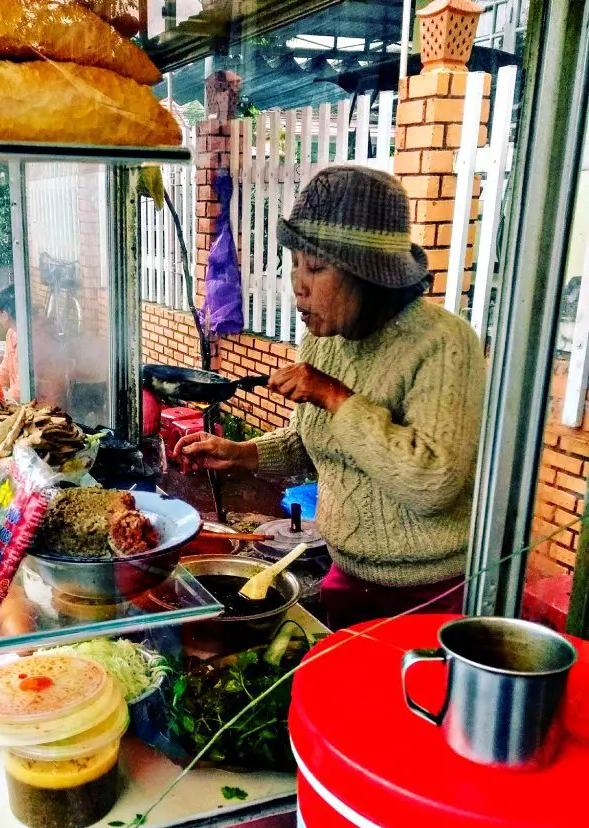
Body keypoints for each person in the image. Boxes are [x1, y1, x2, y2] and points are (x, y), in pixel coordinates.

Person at [174, 166, 485, 630]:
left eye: (316, 268)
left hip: (427, 594)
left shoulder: (443, 344)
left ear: (369, 276)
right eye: (295, 263)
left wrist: (336, 397)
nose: (298, 283)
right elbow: (314, 442)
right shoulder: (323, 338)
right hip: (346, 572)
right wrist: (241, 453)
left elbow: (433, 484)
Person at [0, 285, 20, 401]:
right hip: (16, 400)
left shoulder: (33, 339)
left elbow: (21, 387)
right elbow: (5, 370)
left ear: (5, 315)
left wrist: (3, 402)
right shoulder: (12, 334)